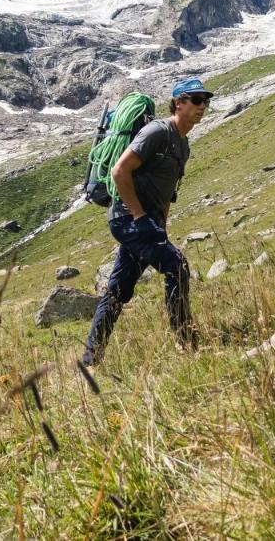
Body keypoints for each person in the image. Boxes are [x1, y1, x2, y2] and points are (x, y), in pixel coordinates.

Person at [81, 78, 212, 366]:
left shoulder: (183, 144)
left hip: (146, 224)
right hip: (128, 219)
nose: (203, 106)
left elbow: (167, 193)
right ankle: (186, 342)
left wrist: (159, 227)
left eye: (206, 100)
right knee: (177, 267)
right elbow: (119, 171)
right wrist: (140, 217)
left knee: (118, 291)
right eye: (197, 99)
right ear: (179, 102)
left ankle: (90, 361)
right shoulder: (158, 131)